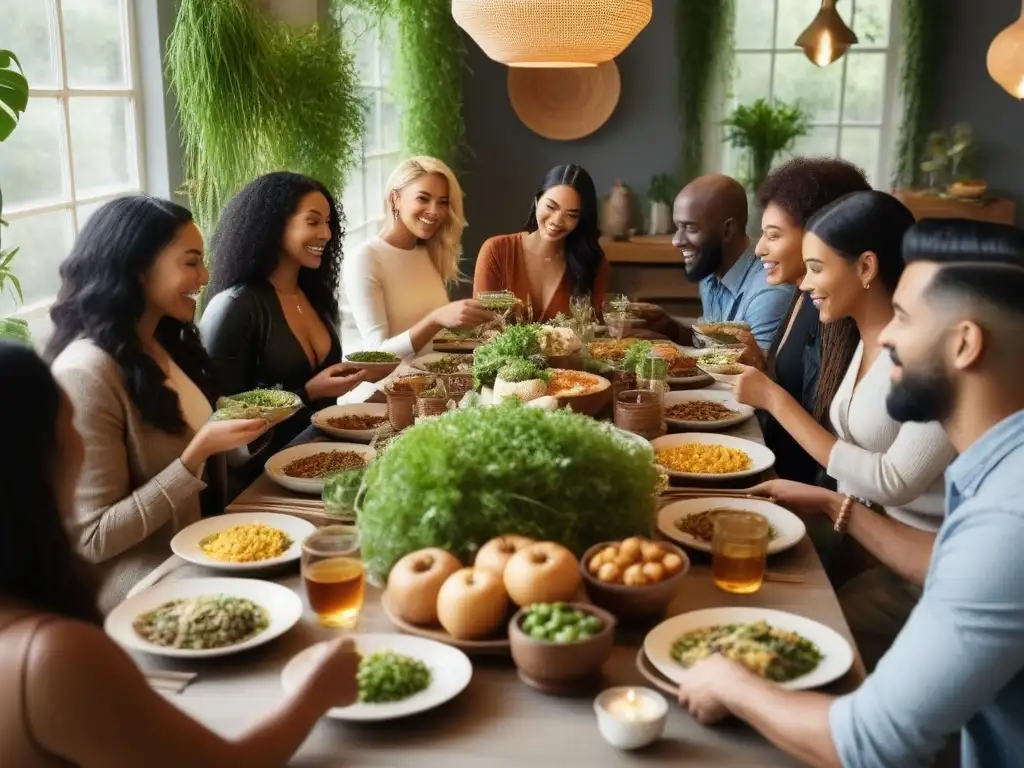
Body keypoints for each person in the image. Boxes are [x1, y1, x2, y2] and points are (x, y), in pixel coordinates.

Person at [676, 218, 1024, 768]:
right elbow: (947, 559)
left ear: (964, 344)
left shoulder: (1011, 517)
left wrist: (730, 682)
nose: (886, 337)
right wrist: (836, 506)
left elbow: (868, 744)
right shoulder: (1005, 465)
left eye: (905, 319)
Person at [0, 341, 362, 767]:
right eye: (71, 426)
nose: (82, 445)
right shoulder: (55, 657)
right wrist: (316, 693)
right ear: (37, 458)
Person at [733, 191, 957, 664]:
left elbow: (892, 482)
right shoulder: (863, 338)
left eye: (816, 268)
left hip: (917, 563)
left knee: (787, 638)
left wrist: (775, 399)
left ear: (867, 268)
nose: (804, 283)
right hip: (865, 533)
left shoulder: (927, 355)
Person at [46, 196, 269, 612]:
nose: (205, 276)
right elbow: (91, 539)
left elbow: (202, 450)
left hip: (195, 546)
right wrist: (194, 456)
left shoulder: (165, 341)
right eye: (191, 262)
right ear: (138, 266)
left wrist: (248, 431)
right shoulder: (86, 373)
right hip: (135, 582)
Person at [200, 172, 367, 461]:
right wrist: (306, 393)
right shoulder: (234, 307)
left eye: (328, 223)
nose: (327, 234)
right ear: (274, 226)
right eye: (312, 221)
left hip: (327, 457)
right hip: (261, 479)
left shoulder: (314, 295)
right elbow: (221, 418)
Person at [749, 157, 872, 485]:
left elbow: (829, 441)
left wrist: (768, 393)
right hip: (773, 472)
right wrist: (759, 365)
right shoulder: (802, 293)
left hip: (804, 495)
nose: (759, 249)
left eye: (773, 236)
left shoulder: (838, 315)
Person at [340, 156, 495, 358]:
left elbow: (433, 342)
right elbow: (375, 354)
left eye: (442, 202)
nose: (434, 211)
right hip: (393, 388)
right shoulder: (366, 258)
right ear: (395, 199)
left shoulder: (428, 251)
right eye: (423, 198)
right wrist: (436, 319)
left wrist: (481, 339)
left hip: (436, 383)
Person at [653, 173, 794, 349]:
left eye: (690, 228)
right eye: (678, 227)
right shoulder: (711, 267)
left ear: (727, 229)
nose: (676, 240)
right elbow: (710, 346)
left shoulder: (768, 293)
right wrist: (667, 328)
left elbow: (749, 372)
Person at [473, 164, 610, 322]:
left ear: (581, 220)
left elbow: (600, 332)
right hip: (499, 347)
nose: (557, 221)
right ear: (537, 201)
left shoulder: (594, 263)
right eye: (551, 207)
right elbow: (480, 324)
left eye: (571, 215)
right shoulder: (497, 250)